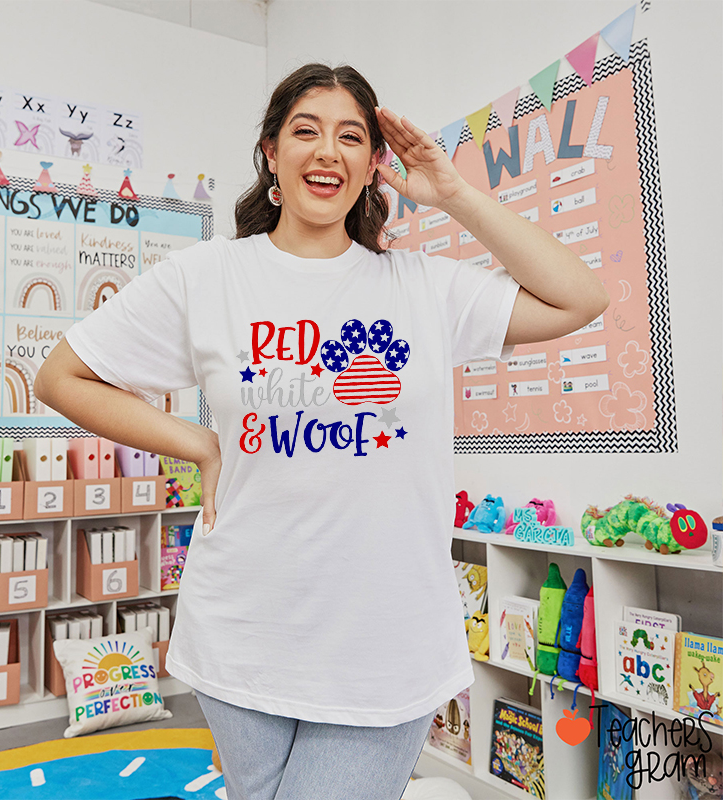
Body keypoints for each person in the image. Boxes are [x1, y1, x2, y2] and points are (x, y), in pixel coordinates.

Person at [35, 63, 608, 800]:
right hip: (240, 629)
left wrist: (456, 195)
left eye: (351, 136)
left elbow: (579, 298)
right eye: (305, 131)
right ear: (271, 152)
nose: (328, 151)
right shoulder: (207, 277)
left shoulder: (423, 287)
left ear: (373, 166)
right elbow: (62, 377)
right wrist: (199, 443)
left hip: (385, 641)